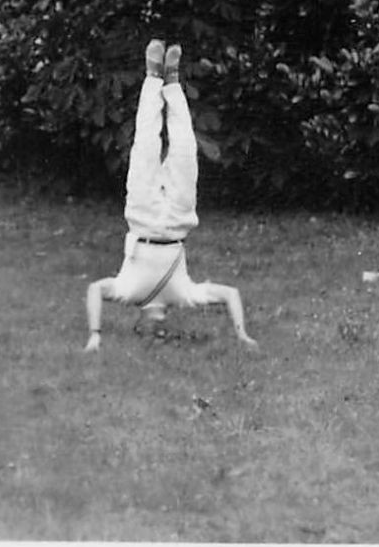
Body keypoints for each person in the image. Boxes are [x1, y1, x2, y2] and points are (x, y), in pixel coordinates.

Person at [84, 41, 258, 352]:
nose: (155, 330)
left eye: (149, 333)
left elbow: (95, 289)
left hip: (142, 219)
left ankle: (153, 77)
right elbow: (230, 293)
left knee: (145, 145)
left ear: (138, 323)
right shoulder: (185, 296)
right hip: (179, 222)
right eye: (160, 334)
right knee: (186, 150)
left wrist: (95, 335)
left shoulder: (127, 292)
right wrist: (242, 334)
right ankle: (173, 82)